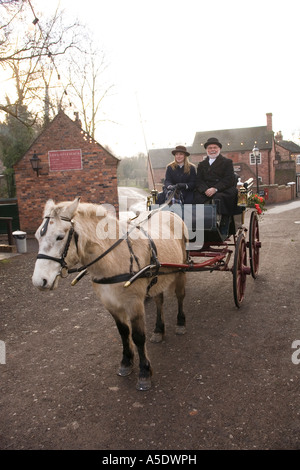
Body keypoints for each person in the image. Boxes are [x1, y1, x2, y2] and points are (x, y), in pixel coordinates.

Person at [193, 137, 237, 235]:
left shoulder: (227, 162)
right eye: (210, 148)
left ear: (219, 149)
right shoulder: (202, 164)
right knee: (195, 198)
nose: (212, 150)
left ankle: (223, 225)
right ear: (206, 150)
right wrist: (205, 190)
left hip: (222, 189)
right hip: (205, 190)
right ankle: (198, 227)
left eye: (215, 147)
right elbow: (199, 180)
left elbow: (229, 179)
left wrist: (215, 188)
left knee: (220, 198)